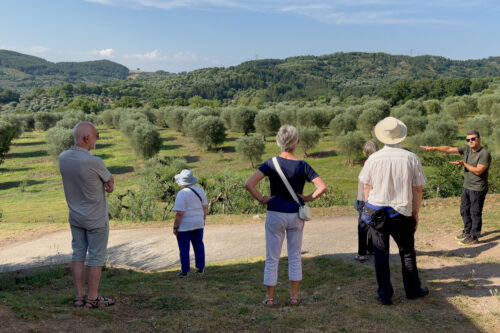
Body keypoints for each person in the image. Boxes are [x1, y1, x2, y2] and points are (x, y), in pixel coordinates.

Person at [245, 125, 328, 307]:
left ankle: (269, 298)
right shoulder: (303, 165)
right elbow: (322, 187)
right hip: (296, 215)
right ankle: (294, 296)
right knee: (295, 255)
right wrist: (306, 198)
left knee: (272, 257)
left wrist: (263, 199)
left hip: (275, 213)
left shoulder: (270, 163)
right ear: (296, 143)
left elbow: (249, 184)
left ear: (279, 142)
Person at [359, 117, 428, 306]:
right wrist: (415, 212)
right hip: (402, 212)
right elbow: (417, 189)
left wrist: (368, 207)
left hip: (377, 211)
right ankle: (413, 290)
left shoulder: (373, 158)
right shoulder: (411, 158)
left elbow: (366, 186)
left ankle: (385, 294)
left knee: (381, 255)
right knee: (407, 252)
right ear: (400, 136)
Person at [59, 121, 115, 308]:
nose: (96, 141)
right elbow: (110, 180)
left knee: (78, 255)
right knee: (96, 258)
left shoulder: (63, 157)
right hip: (96, 219)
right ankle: (92, 298)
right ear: (86, 138)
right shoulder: (94, 161)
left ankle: (79, 297)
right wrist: (108, 186)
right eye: (95, 137)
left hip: (75, 217)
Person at [420, 130, 491, 246]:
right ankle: (467, 231)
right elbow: (448, 149)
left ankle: (474, 236)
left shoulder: (484, 154)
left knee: (475, 212)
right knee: (464, 210)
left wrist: (464, 164)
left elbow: (478, 171)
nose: (470, 141)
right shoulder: (467, 149)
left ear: (479, 139)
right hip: (467, 186)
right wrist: (432, 148)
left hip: (478, 188)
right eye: (468, 140)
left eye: (473, 139)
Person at [172, 169, 208, 277]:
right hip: (198, 222)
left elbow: (180, 213)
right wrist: (203, 219)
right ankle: (200, 268)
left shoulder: (181, 194)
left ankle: (185, 270)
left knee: (184, 247)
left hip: (185, 225)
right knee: (199, 245)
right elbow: (205, 207)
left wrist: (175, 226)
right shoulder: (200, 190)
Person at [354, 140, 378, 262]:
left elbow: (365, 184)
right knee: (373, 224)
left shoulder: (368, 162)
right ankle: (371, 248)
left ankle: (361, 253)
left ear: (366, 150)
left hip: (364, 197)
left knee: (362, 225)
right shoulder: (378, 162)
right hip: (375, 197)